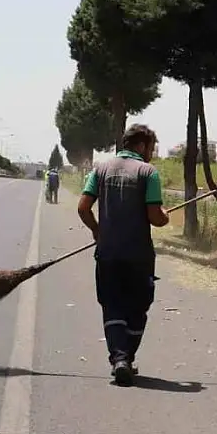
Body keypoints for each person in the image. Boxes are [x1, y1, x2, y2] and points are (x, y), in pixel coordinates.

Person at [76, 124, 170, 386]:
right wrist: (165, 217)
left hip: (107, 254)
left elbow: (83, 207)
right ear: (141, 145)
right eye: (151, 147)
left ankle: (119, 359)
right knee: (138, 307)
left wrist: (97, 231)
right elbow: (155, 216)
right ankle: (125, 357)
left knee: (112, 305)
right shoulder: (148, 173)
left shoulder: (101, 169)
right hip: (138, 255)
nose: (152, 153)